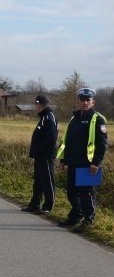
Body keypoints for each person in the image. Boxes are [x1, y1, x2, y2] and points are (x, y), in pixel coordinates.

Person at [56, 87, 108, 232]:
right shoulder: (74, 118)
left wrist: (96, 163)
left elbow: (102, 144)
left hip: (89, 164)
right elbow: (68, 141)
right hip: (73, 162)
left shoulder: (97, 119)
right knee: (71, 192)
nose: (85, 103)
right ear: (77, 102)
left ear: (93, 102)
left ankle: (88, 220)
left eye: (88, 100)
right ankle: (76, 215)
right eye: (82, 100)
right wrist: (63, 159)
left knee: (87, 194)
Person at [21, 95, 58, 215]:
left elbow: (50, 139)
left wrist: (39, 151)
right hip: (40, 156)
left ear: (41, 105)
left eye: (36, 104)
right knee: (38, 181)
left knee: (47, 180)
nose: (35, 107)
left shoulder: (49, 118)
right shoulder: (43, 117)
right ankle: (35, 204)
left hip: (46, 157)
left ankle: (48, 205)